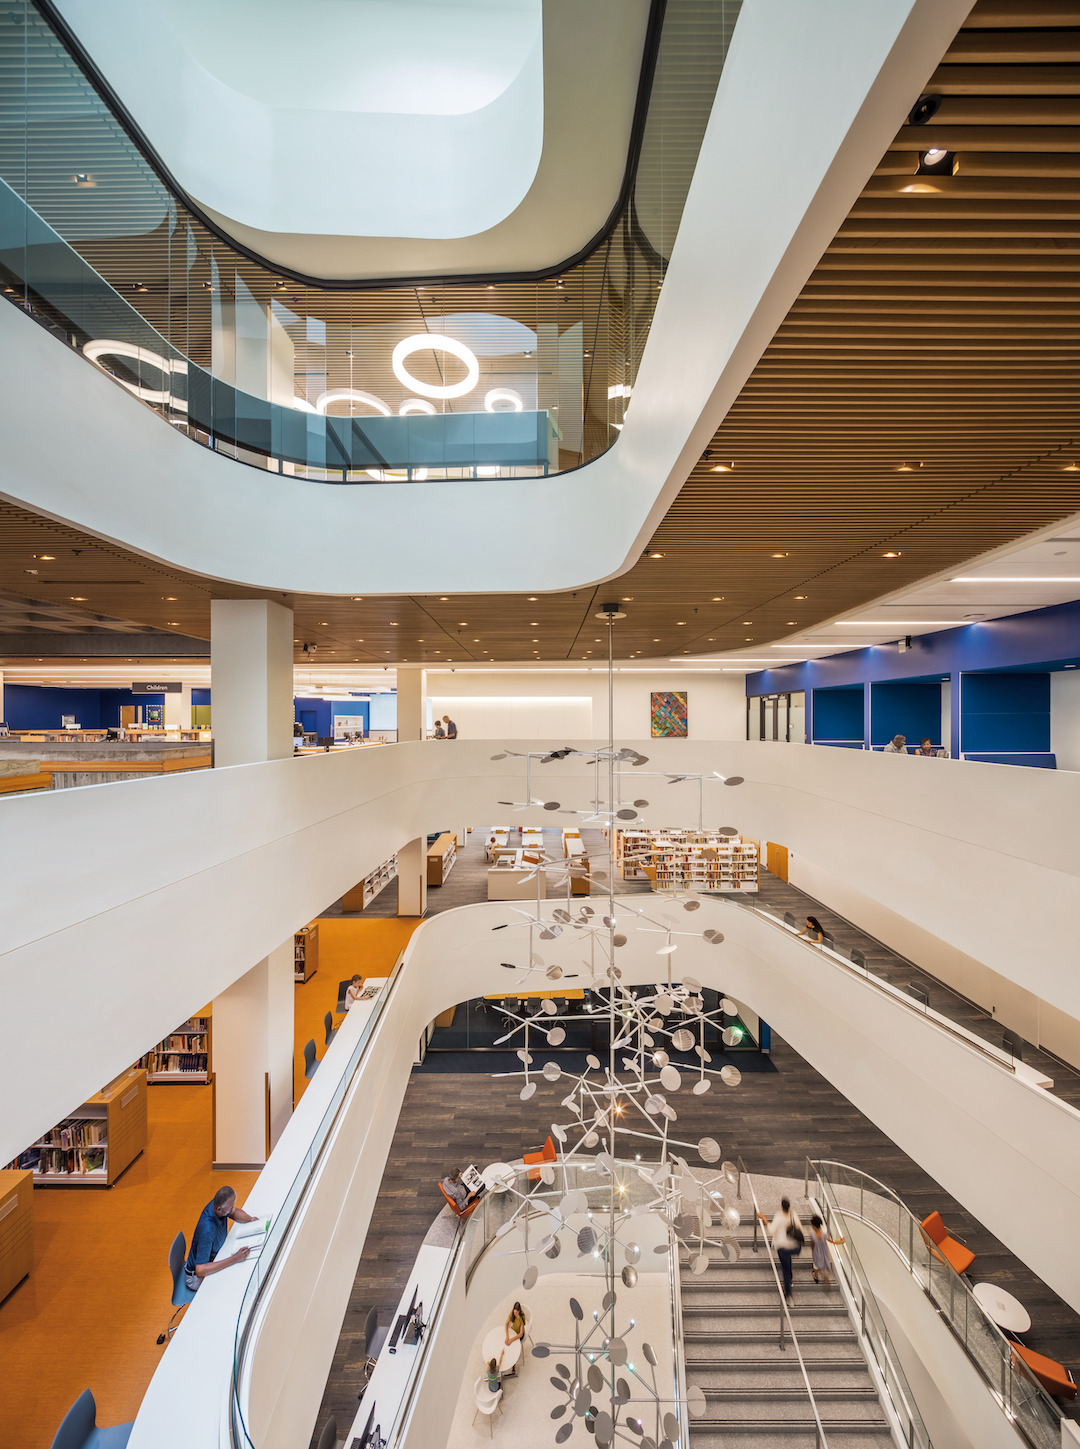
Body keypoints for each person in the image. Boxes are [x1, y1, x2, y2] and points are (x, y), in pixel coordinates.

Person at [184, 1185, 257, 1291]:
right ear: (219, 1209)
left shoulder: (218, 1206)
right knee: (233, 1284)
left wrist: (250, 1219)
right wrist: (235, 1258)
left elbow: (234, 1212)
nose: (232, 1209)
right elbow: (200, 1270)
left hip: (215, 1257)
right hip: (196, 1277)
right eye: (230, 1208)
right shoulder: (207, 1230)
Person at [757, 1196, 804, 1304]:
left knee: (785, 1270)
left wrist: (763, 1217)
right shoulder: (793, 1215)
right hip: (795, 1247)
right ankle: (791, 1279)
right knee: (788, 1263)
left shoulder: (779, 1216)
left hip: (783, 1247)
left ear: (781, 1206)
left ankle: (789, 1295)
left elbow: (771, 1230)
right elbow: (800, 1229)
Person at [808, 1214, 845, 1289]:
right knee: (824, 1266)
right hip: (824, 1253)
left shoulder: (812, 1236)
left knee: (816, 1265)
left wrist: (813, 1250)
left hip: (816, 1253)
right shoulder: (824, 1235)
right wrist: (842, 1241)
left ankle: (816, 1275)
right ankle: (826, 1281)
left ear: (813, 1226)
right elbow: (833, 1242)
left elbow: (812, 1245)